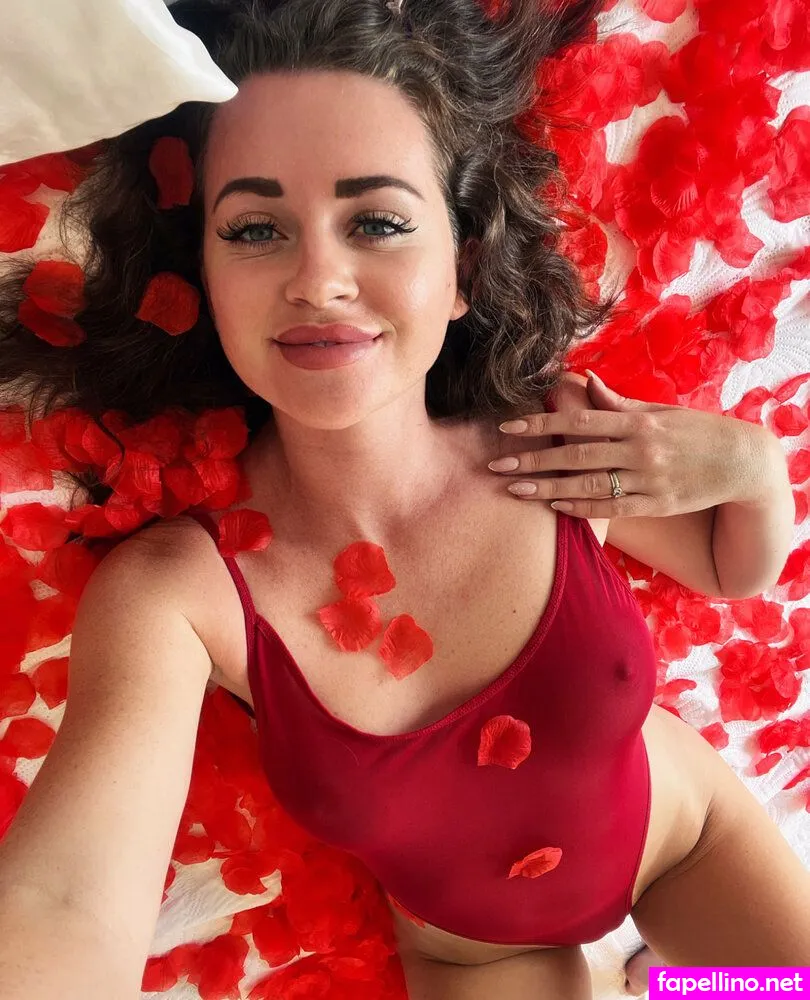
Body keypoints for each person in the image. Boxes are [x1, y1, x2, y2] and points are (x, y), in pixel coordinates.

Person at [0, 1, 809, 998]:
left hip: (687, 843)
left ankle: (670, 985)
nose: (318, 279)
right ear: (204, 279)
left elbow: (734, 566)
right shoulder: (173, 597)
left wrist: (751, 462)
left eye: (377, 222)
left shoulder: (552, 440)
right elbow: (66, 905)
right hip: (481, 952)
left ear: (462, 269)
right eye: (255, 229)